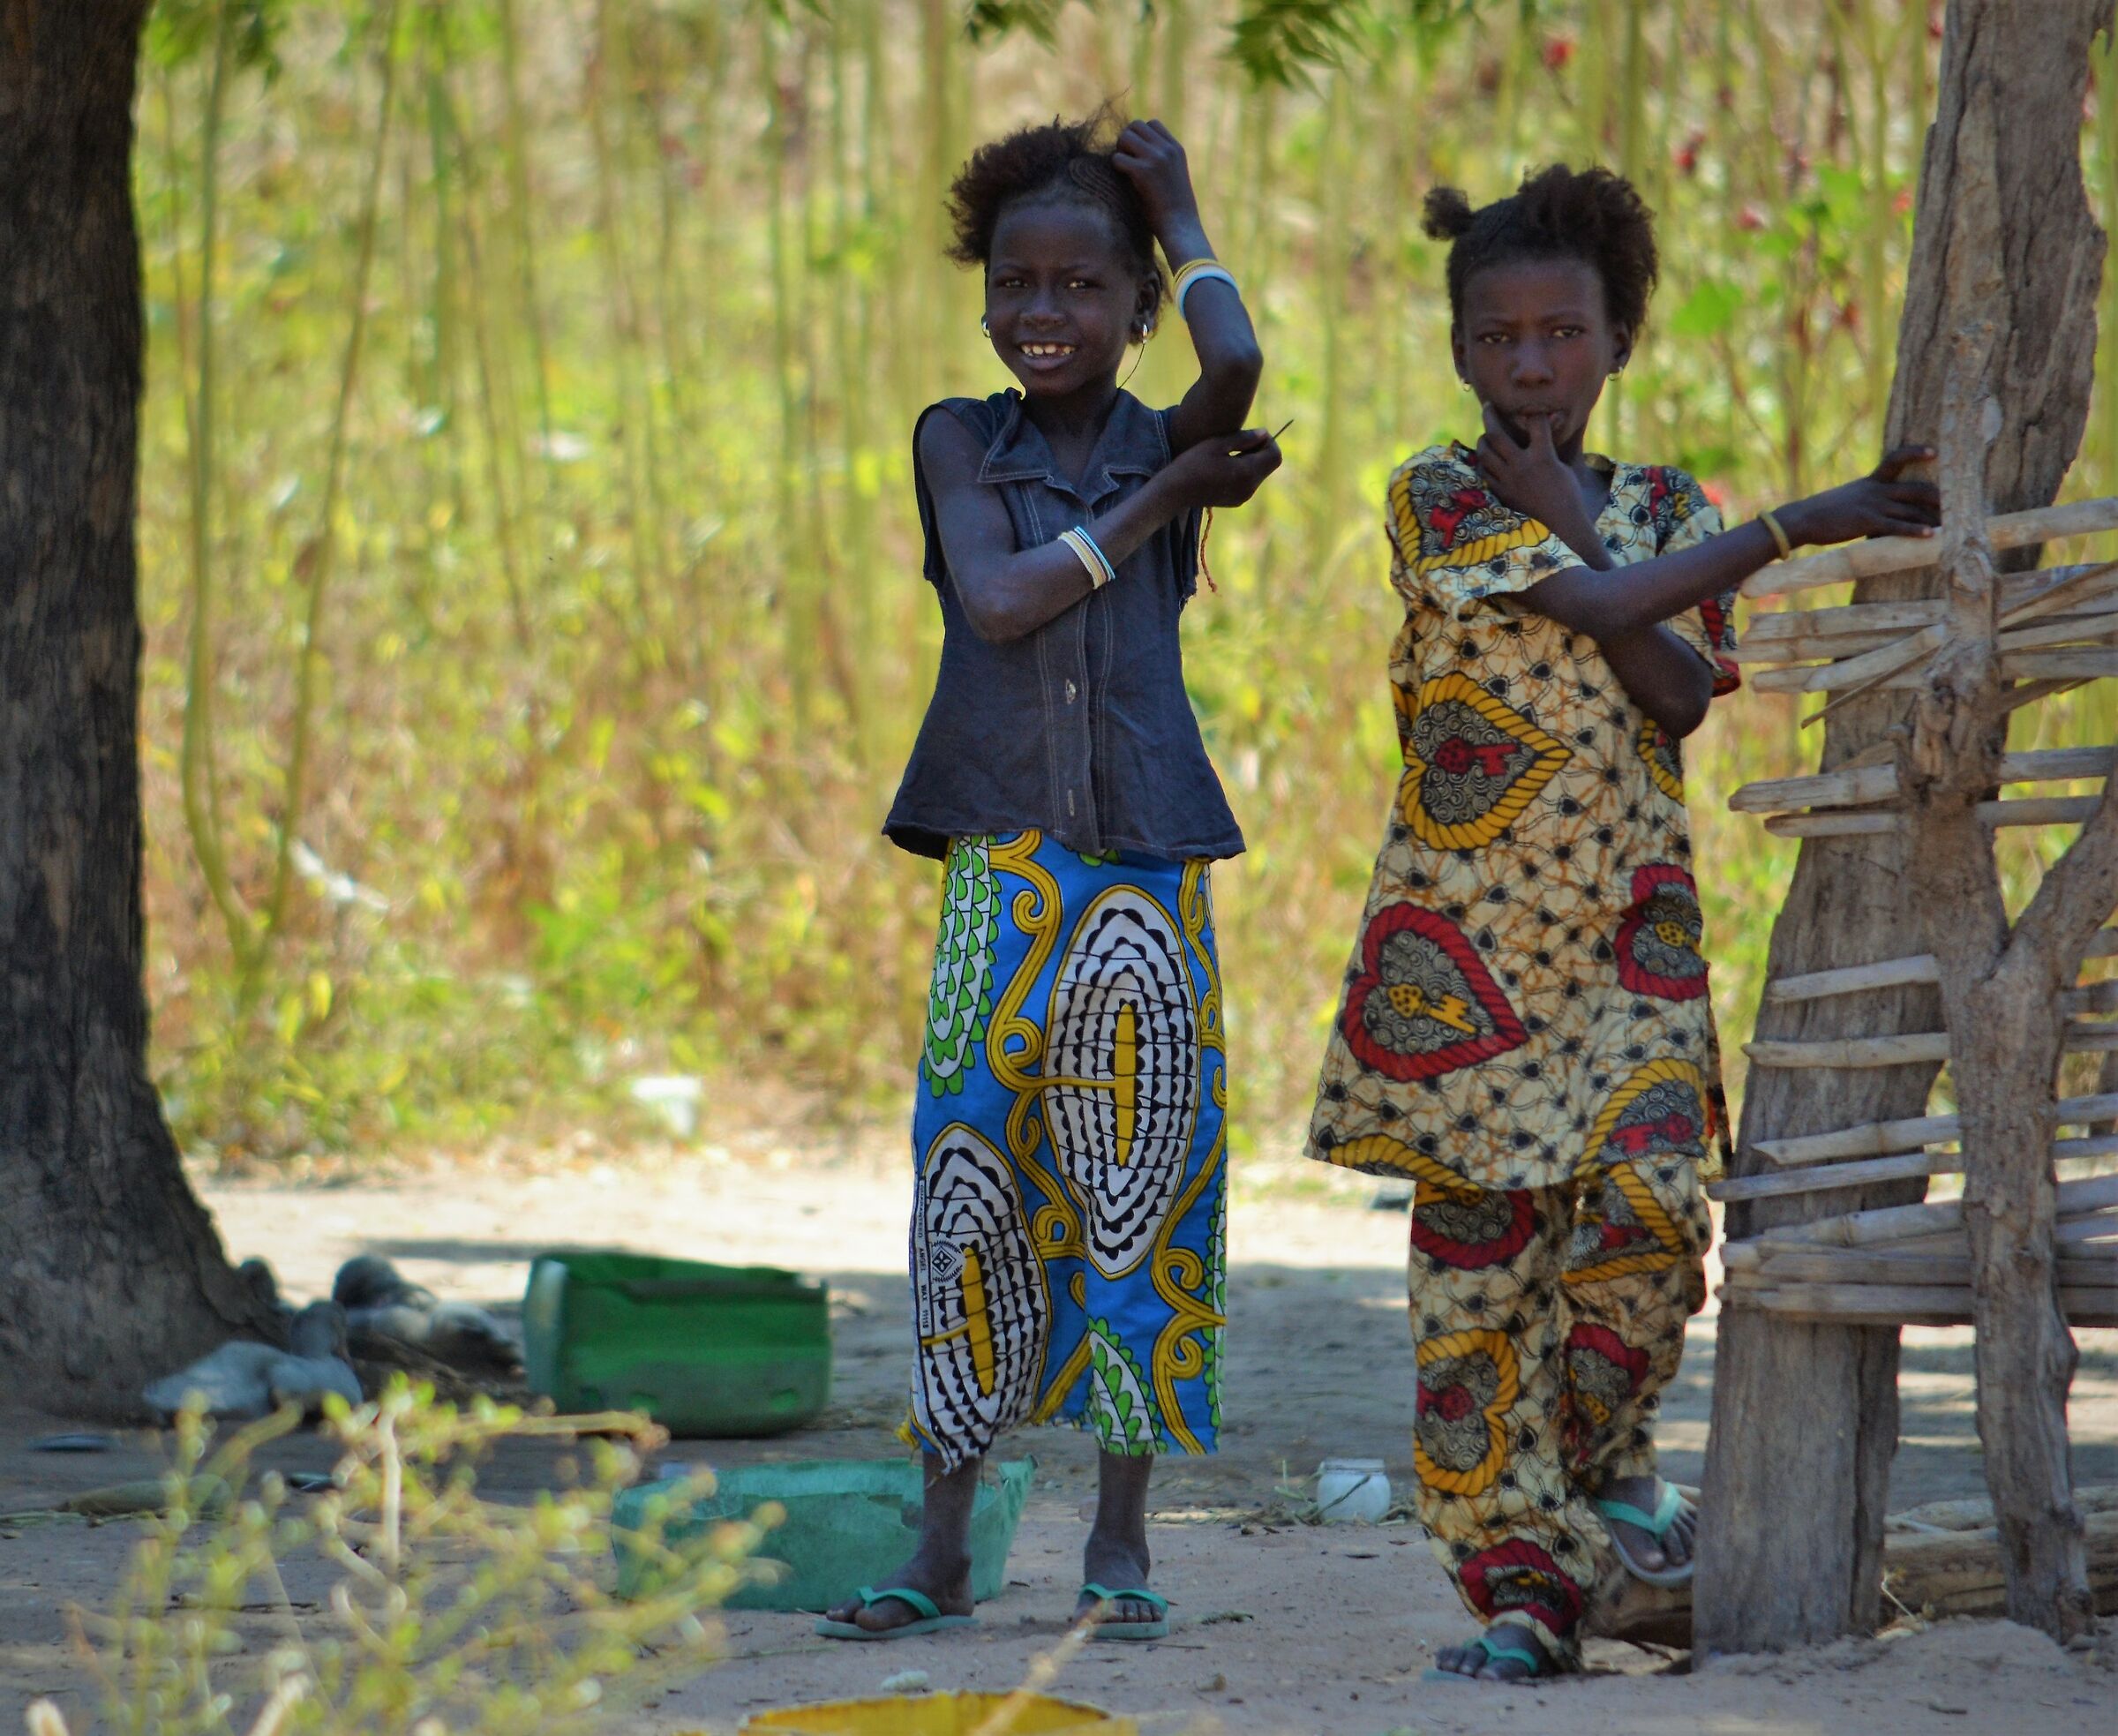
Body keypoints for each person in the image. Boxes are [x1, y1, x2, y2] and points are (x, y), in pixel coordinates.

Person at [1303, 163, 1939, 1684]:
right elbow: (1595, 620)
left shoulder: (1666, 507)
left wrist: (1600, 532)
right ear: (1463, 352)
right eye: (1502, 338)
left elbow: (1669, 689)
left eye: (1564, 335)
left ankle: (1592, 1479)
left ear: (1618, 340)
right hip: (1462, 958)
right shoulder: (1437, 494)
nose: (1533, 365)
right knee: (1481, 1290)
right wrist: (1799, 524)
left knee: (1655, 1217)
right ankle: (1522, 1590)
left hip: (1626, 942)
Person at [818, 112, 1279, 1643]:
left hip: (1147, 864)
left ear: (1135, 307)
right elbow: (1004, 600)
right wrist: (1159, 504)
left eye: (1084, 287)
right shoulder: (964, 436)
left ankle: (1121, 1544)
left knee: (1139, 1193)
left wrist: (1189, 214)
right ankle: (942, 1542)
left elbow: (1243, 371)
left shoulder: (1171, 418)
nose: (1041, 315)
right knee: (968, 1185)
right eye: (1016, 284)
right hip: (1001, 865)